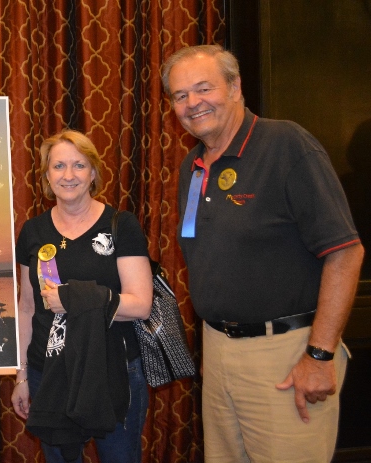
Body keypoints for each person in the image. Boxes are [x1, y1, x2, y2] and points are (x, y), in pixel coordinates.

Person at [162, 44, 365, 462]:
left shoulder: (286, 145)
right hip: (218, 352)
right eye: (180, 96)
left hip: (286, 356)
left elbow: (345, 252)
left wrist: (320, 355)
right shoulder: (193, 167)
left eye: (204, 88)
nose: (192, 103)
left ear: (235, 87)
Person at [10, 130, 153, 463]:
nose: (68, 174)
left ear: (93, 173)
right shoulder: (33, 232)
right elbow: (27, 307)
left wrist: (76, 298)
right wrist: (21, 376)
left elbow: (141, 304)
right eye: (58, 166)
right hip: (49, 372)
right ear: (47, 176)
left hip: (113, 371)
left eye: (79, 165)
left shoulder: (121, 225)